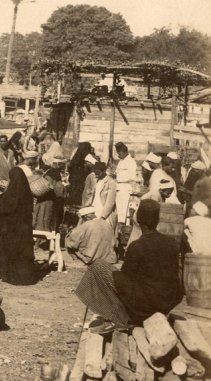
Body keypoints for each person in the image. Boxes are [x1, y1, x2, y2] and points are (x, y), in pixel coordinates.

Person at [75, 200, 181, 333]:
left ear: (138, 220)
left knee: (98, 265)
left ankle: (117, 318)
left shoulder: (137, 246)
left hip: (146, 305)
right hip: (165, 304)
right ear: (157, 220)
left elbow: (125, 280)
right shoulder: (171, 243)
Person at [0, 166, 38, 285]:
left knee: (10, 249)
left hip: (11, 229)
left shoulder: (12, 192)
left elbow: (3, 206)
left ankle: (11, 276)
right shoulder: (27, 193)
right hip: (24, 230)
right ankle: (24, 277)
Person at [33, 165, 66, 233]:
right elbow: (59, 193)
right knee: (48, 222)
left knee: (40, 220)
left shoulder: (44, 178)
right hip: (50, 203)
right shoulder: (55, 179)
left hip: (41, 203)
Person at [89, 161, 117, 229]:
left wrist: (103, 216)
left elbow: (110, 202)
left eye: (98, 173)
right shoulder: (97, 181)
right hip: (95, 209)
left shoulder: (111, 182)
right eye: (95, 174)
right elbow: (93, 196)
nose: (96, 176)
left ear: (104, 171)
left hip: (103, 212)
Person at [114, 143, 137, 225]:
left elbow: (132, 177)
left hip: (125, 188)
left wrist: (120, 179)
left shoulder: (131, 162)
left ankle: (125, 227)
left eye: (120, 154)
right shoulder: (121, 161)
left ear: (125, 152)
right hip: (119, 188)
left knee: (124, 210)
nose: (118, 156)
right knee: (119, 210)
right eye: (118, 153)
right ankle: (120, 227)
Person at [67, 142, 94, 206]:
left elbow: (70, 174)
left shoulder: (74, 160)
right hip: (82, 188)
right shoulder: (88, 161)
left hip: (73, 187)